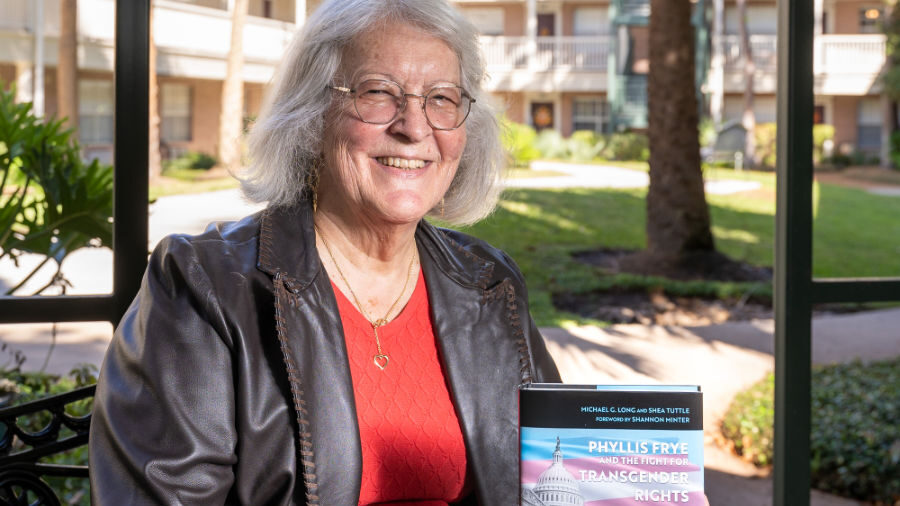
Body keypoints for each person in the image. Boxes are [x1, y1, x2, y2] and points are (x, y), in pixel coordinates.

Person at [88, 0, 560, 504]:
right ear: (313, 117)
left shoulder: (490, 281)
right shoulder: (204, 286)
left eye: (442, 98)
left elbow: (562, 469)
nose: (415, 127)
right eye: (379, 93)